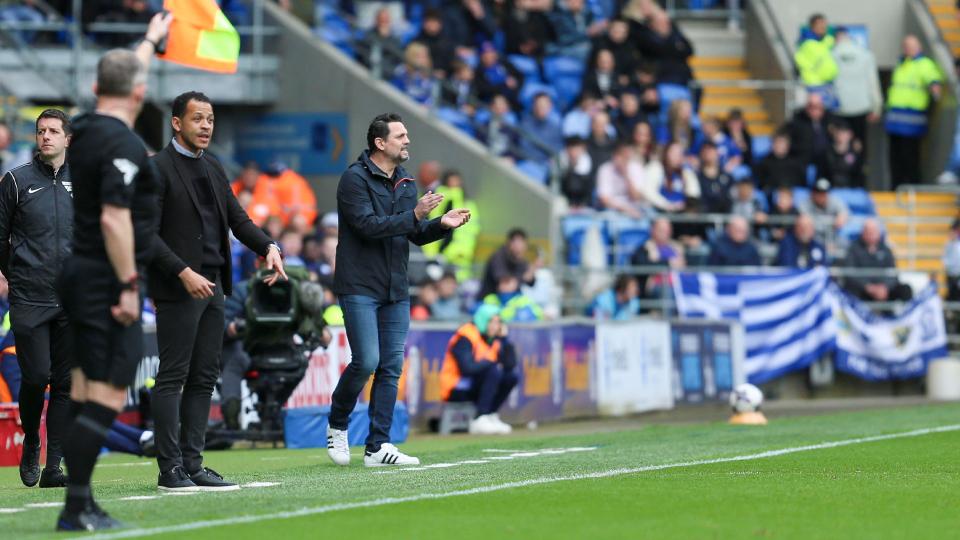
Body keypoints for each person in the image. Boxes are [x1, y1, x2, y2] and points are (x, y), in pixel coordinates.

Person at [54, 12, 171, 531]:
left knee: (82, 392)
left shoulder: (83, 126)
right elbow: (113, 218)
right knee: (104, 397)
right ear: (141, 93)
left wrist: (150, 38)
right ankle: (76, 508)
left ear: (97, 86)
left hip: (76, 272)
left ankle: (81, 503)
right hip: (107, 278)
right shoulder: (123, 145)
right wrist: (128, 285)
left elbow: (125, 76)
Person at [148, 91, 287, 492]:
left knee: (205, 376)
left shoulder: (213, 165)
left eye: (210, 119)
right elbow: (146, 234)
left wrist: (269, 247)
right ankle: (168, 469)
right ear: (177, 122)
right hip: (180, 285)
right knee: (173, 375)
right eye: (197, 119)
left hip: (215, 283)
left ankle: (193, 464)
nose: (206, 126)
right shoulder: (157, 169)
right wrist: (182, 272)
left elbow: (238, 220)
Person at [326, 113, 471, 468]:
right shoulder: (354, 179)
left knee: (391, 366)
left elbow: (414, 233)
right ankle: (337, 423)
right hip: (359, 284)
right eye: (401, 136)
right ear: (380, 142)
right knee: (367, 362)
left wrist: (441, 224)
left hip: (395, 287)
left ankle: (378, 446)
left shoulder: (406, 182)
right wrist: (417, 215)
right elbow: (367, 226)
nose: (408, 141)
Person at [0, 110, 74, 489]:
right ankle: (32, 439)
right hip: (29, 297)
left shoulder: (85, 183)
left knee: (63, 383)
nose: (46, 136)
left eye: (53, 131)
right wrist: (16, 277)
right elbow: (0, 238)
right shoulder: (15, 180)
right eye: (41, 131)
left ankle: (54, 466)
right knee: (36, 376)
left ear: (68, 139)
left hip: (71, 300)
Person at [440, 304, 517, 435]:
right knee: (493, 370)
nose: (495, 326)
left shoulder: (495, 339)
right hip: (456, 388)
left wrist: (504, 339)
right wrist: (490, 363)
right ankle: (480, 418)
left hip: (477, 385)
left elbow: (509, 365)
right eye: (491, 321)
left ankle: (490, 414)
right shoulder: (466, 335)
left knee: (511, 377)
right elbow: (467, 368)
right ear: (482, 320)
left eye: (498, 322)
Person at [885, 35, 943, 188]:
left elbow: (933, 81)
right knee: (894, 158)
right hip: (895, 120)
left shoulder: (924, 64)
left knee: (910, 157)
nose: (907, 49)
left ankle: (913, 187)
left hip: (912, 120)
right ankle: (895, 187)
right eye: (905, 46)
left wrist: (936, 90)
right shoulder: (902, 63)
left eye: (910, 46)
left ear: (919, 47)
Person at [831, 26, 882, 151]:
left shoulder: (830, 54)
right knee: (858, 143)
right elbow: (873, 83)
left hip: (837, 107)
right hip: (861, 107)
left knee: (838, 143)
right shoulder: (865, 54)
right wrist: (876, 107)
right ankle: (859, 167)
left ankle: (840, 169)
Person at [842, 218, 912, 303]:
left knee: (905, 289)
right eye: (868, 231)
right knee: (849, 291)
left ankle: (901, 315)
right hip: (862, 289)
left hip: (884, 290)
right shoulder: (853, 249)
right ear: (863, 232)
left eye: (873, 231)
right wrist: (868, 287)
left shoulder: (886, 250)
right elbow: (850, 273)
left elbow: (893, 274)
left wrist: (885, 287)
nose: (871, 234)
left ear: (879, 233)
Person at [478, 228, 539, 300]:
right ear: (510, 243)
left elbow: (530, 282)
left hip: (512, 299)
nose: (520, 246)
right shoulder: (499, 257)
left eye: (523, 243)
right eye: (518, 242)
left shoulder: (521, 260)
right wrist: (523, 277)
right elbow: (505, 286)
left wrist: (534, 268)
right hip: (491, 300)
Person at [630, 217, 684, 298]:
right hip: (658, 285)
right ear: (653, 230)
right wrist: (668, 263)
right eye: (662, 230)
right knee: (667, 291)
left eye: (667, 230)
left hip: (677, 283)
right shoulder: (645, 248)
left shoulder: (676, 247)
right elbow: (644, 267)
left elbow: (683, 266)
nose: (665, 233)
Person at [786, 93, 836, 179]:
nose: (813, 110)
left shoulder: (830, 119)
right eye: (810, 106)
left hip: (826, 156)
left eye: (816, 106)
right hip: (803, 156)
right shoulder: (798, 120)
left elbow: (843, 131)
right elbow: (786, 136)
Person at [794, 13, 837, 108]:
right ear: (812, 26)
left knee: (830, 116)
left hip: (829, 84)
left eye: (824, 24)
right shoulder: (806, 43)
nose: (823, 27)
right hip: (814, 86)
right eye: (820, 24)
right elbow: (801, 62)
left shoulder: (829, 40)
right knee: (816, 114)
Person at [596, 141, 648, 218]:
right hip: (612, 210)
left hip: (635, 208)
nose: (623, 159)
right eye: (621, 155)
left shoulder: (636, 168)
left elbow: (636, 197)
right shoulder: (605, 169)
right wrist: (626, 210)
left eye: (626, 156)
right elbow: (604, 199)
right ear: (614, 155)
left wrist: (625, 175)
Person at [798, 178, 848, 246]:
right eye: (819, 192)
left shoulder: (834, 201)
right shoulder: (805, 204)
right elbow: (805, 222)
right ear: (813, 193)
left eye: (824, 193)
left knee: (845, 244)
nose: (821, 196)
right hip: (813, 238)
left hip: (832, 237)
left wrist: (842, 216)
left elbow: (844, 212)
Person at [754, 130, 806, 195]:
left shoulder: (795, 163)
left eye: (782, 143)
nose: (780, 146)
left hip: (792, 194)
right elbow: (761, 184)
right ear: (772, 145)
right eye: (777, 142)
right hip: (772, 194)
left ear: (788, 146)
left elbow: (801, 182)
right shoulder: (763, 163)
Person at [357, 7, 402, 80]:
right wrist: (382, 36)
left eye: (386, 20)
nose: (384, 22)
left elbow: (398, 59)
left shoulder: (396, 40)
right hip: (368, 73)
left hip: (388, 75)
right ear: (376, 20)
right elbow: (365, 56)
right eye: (381, 19)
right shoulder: (368, 35)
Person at [520, 92, 564, 162]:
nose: (541, 108)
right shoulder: (525, 121)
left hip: (543, 166)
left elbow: (555, 151)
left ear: (550, 107)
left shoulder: (555, 129)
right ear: (533, 106)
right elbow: (524, 147)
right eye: (539, 105)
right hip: (524, 160)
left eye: (545, 106)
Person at [553, 135, 594, 208]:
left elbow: (588, 194)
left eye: (577, 149)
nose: (574, 153)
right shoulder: (558, 162)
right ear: (567, 149)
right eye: (572, 149)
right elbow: (555, 188)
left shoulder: (588, 165)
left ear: (583, 149)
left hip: (581, 207)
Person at [697, 141, 734, 214]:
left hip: (725, 217)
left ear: (717, 153)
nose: (708, 153)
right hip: (704, 219)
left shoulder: (727, 177)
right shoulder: (696, 177)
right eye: (705, 151)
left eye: (711, 150)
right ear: (701, 154)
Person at [825, 121, 865, 188]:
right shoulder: (827, 152)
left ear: (850, 135)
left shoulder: (855, 153)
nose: (841, 136)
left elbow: (858, 174)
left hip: (850, 190)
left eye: (844, 133)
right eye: (838, 133)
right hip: (831, 189)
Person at [944, 218, 960, 301]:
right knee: (952, 295)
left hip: (957, 274)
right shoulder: (948, 244)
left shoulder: (958, 246)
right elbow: (945, 259)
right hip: (951, 274)